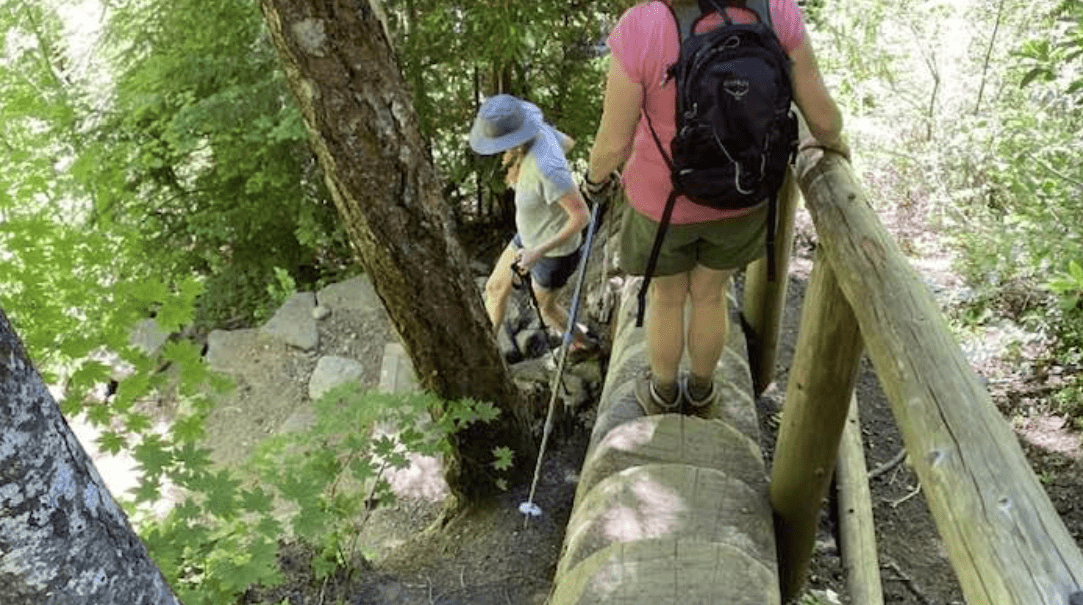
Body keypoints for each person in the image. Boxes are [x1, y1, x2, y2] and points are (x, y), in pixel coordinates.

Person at [585, 0, 848, 414]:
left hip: (663, 202)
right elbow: (825, 122)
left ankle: (663, 392)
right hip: (742, 196)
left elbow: (613, 144)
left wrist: (593, 181)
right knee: (710, 293)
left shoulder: (645, 25)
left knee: (667, 297)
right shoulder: (777, 12)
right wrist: (835, 145)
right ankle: (703, 391)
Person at [469, 94, 595, 355]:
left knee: (546, 309)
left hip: (552, 253)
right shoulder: (536, 136)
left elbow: (582, 216)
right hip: (528, 236)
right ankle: (489, 355)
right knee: (494, 287)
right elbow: (568, 143)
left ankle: (585, 343)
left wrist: (537, 252)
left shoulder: (547, 167)